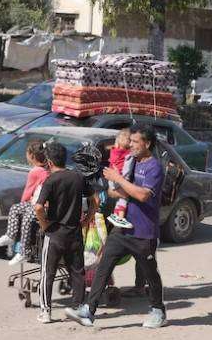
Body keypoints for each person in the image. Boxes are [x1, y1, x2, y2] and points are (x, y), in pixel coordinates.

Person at [65, 125, 168, 329]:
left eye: (135, 142)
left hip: (143, 231)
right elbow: (117, 193)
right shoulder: (131, 163)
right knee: (103, 266)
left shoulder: (154, 167)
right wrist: (114, 184)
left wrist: (119, 180)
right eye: (130, 141)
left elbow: (143, 195)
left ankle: (158, 310)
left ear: (147, 144)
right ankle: (88, 310)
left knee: (150, 273)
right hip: (122, 227)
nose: (131, 145)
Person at [34, 141, 96, 324]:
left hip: (54, 234)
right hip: (74, 232)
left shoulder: (50, 180)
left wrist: (45, 225)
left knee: (48, 272)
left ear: (49, 162)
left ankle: (46, 312)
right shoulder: (78, 177)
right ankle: (78, 308)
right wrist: (86, 219)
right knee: (77, 272)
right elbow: (94, 201)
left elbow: (38, 207)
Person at [0, 141, 49, 265]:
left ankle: (24, 250)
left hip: (40, 205)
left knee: (24, 214)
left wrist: (23, 203)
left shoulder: (35, 171)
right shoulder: (45, 169)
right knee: (16, 209)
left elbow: (28, 190)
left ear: (31, 156)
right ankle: (10, 236)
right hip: (38, 202)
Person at [107, 128, 134, 229]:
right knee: (124, 197)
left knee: (120, 198)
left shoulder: (114, 151)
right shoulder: (127, 153)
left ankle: (116, 215)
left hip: (112, 180)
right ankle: (120, 217)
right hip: (119, 178)